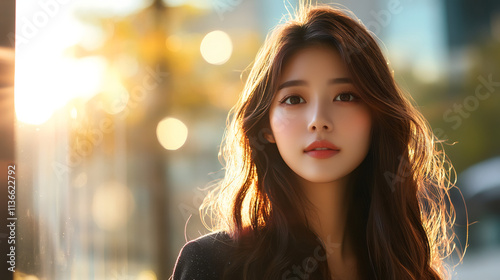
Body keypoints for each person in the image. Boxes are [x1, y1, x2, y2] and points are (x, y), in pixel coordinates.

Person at [171, 2, 465, 280]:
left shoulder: (407, 266)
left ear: (377, 116)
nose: (318, 119)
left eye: (345, 96)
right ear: (266, 127)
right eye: (294, 99)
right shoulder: (212, 265)